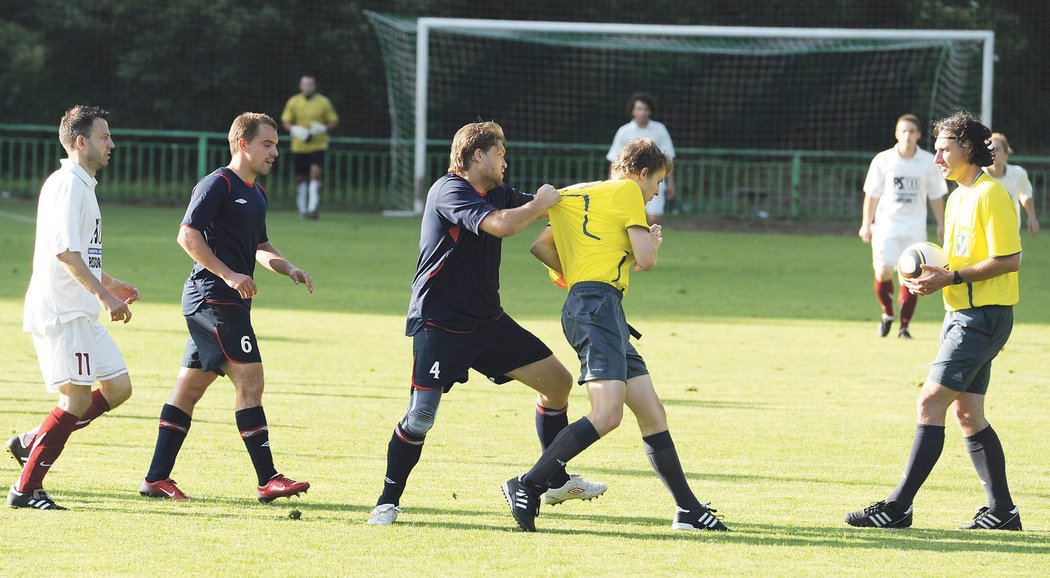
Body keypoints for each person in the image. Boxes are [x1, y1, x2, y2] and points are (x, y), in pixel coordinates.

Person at [366, 121, 606, 526]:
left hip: (487, 322)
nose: (505, 161)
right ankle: (387, 502)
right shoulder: (449, 190)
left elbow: (551, 205)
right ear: (477, 155)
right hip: (439, 324)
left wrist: (609, 196)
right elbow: (505, 224)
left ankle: (555, 480)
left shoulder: (496, 192)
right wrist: (541, 203)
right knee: (421, 416)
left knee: (557, 383)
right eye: (499, 153)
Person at [501, 138, 729, 533]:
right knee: (607, 415)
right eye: (656, 182)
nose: (656, 191)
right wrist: (651, 243)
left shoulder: (581, 194)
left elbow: (540, 247)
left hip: (595, 307)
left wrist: (581, 275)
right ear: (641, 173)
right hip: (598, 309)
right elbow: (646, 260)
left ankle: (688, 510)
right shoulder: (626, 192)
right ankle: (528, 483)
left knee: (651, 412)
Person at [846, 112, 1023, 531]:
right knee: (968, 414)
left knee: (930, 402)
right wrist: (934, 276)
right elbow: (958, 259)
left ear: (968, 148)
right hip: (959, 313)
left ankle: (898, 506)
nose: (937, 156)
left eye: (944, 148)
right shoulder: (959, 195)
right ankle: (1003, 511)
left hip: (982, 317)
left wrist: (954, 277)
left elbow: (1010, 260)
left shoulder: (990, 195)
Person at [139, 112, 315, 503]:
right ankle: (268, 478)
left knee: (189, 389)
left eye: (276, 145)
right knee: (250, 380)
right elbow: (187, 234)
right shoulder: (217, 183)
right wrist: (229, 274)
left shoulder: (257, 193)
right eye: (267, 144)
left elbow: (260, 245)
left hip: (227, 299)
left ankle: (155, 479)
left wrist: (288, 268)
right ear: (243, 144)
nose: (275, 152)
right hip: (212, 297)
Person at [7, 105, 140, 510]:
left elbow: (82, 253)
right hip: (64, 311)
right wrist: (105, 296)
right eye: (104, 137)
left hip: (81, 310)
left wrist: (108, 282)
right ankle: (25, 490)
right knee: (75, 401)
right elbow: (64, 251)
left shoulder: (82, 185)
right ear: (81, 143)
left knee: (118, 388)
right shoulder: (68, 184)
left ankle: (33, 440)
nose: (111, 144)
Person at [858, 114, 948, 339]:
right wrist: (866, 224)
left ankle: (904, 327)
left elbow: (936, 195)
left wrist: (941, 224)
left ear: (918, 134)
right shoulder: (883, 160)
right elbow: (872, 194)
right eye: (903, 131)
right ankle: (888, 313)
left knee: (912, 277)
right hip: (886, 227)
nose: (907, 135)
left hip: (914, 229)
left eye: (911, 131)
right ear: (896, 134)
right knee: (883, 272)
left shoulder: (929, 161)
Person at [607, 93, 676, 225]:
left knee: (654, 219)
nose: (642, 112)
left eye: (645, 109)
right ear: (633, 111)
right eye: (639, 109)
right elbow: (614, 159)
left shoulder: (660, 130)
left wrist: (671, 182)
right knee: (629, 218)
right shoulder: (624, 131)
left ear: (650, 111)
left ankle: (648, 243)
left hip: (654, 179)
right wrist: (611, 182)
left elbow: (668, 157)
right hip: (629, 181)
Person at [281, 75, 339, 220]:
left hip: (317, 145)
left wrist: (323, 128)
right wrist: (295, 130)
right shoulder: (294, 102)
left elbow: (333, 121)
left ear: (314, 86)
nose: (307, 87)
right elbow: (286, 121)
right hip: (299, 146)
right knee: (300, 177)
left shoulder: (323, 102)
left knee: (315, 172)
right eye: (304, 84)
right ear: (301, 86)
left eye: (310, 84)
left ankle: (313, 208)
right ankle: (302, 209)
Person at [985, 133, 1040, 236]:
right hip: (984, 233)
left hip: (1010, 234)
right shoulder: (978, 175)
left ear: (1006, 154)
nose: (993, 153)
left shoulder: (1019, 174)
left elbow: (1026, 194)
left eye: (996, 149)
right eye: (990, 150)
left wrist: (1032, 217)